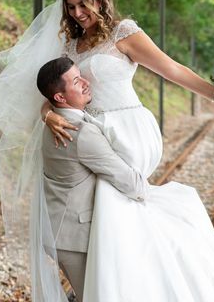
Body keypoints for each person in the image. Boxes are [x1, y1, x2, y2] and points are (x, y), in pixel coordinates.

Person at [0, 0, 214, 301]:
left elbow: (172, 69)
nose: (78, 14)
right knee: (115, 217)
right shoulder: (70, 44)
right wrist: (47, 114)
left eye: (83, 5)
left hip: (126, 129)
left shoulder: (124, 34)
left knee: (117, 203)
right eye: (71, 7)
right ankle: (120, 283)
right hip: (91, 132)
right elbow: (52, 93)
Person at [37, 56, 149, 301]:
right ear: (60, 97)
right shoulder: (81, 133)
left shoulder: (52, 122)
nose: (86, 83)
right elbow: (130, 183)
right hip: (72, 237)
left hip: (59, 227)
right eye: (77, 81)